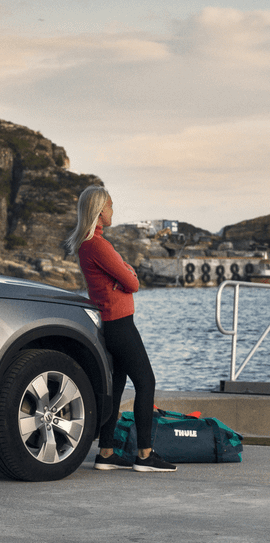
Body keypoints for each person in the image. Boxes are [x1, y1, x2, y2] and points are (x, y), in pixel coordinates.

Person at [65, 186, 176, 472]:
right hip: (120, 325)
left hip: (109, 324)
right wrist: (124, 279)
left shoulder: (89, 244)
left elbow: (125, 276)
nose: (114, 211)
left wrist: (123, 278)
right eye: (111, 206)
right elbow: (134, 283)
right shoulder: (98, 245)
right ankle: (145, 455)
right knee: (146, 382)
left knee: (117, 386)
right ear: (100, 211)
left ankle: (106, 451)